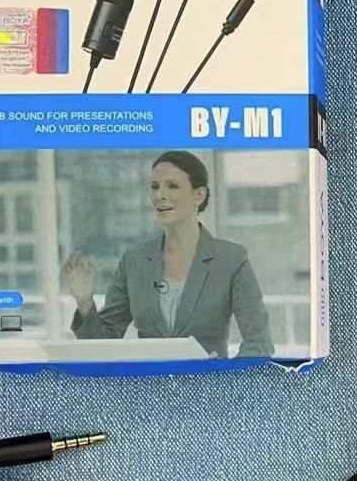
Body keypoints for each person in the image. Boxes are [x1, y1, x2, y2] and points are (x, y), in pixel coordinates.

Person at [64, 150, 273, 357]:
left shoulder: (231, 259)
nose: (159, 195)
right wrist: (84, 302)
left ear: (199, 195)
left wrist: (223, 372)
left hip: (209, 379)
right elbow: (102, 346)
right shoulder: (134, 261)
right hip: (149, 379)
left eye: (172, 186)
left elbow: (259, 343)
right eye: (155, 187)